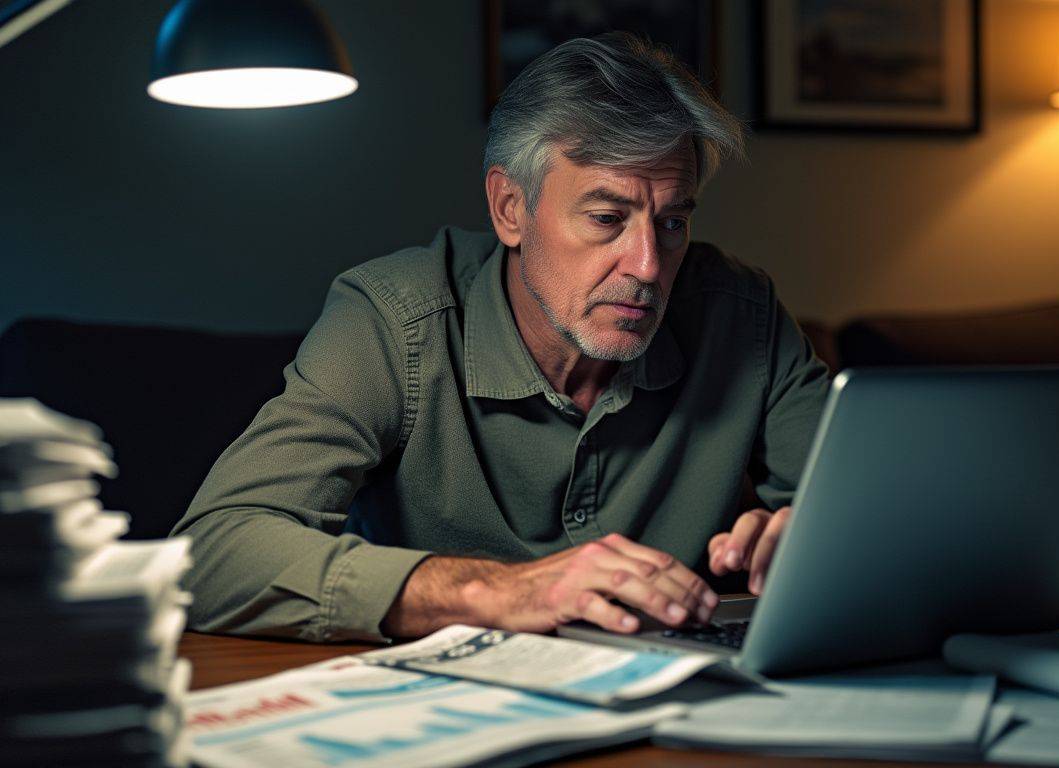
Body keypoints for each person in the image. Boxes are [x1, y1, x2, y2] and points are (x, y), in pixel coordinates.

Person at [172, 32, 830, 643]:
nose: (648, 267)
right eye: (607, 218)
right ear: (510, 209)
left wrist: (829, 532)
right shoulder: (392, 320)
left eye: (673, 223)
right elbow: (212, 552)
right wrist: (488, 589)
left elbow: (889, 516)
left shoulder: (742, 314)